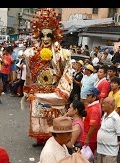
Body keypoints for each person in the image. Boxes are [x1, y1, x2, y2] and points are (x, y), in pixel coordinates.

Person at [22, 8, 73, 147]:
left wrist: (61, 91)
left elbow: (66, 72)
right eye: (42, 36)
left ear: (53, 36)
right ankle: (40, 138)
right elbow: (29, 74)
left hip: (52, 92)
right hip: (38, 91)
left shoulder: (61, 54)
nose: (45, 39)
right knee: (38, 116)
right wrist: (27, 89)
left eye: (48, 36)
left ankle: (51, 138)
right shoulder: (31, 53)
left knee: (51, 116)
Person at [95, 97, 120, 163]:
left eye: (105, 103)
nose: (102, 105)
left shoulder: (116, 118)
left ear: (111, 105)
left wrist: (116, 147)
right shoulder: (104, 115)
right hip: (100, 150)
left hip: (110, 153)